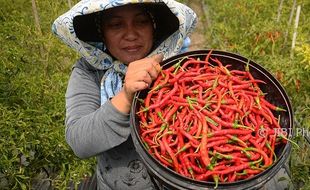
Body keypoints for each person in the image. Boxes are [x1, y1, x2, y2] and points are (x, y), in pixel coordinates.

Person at [52, 0, 197, 189]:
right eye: (116, 25)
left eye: (141, 22)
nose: (130, 34)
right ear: (102, 32)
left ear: (153, 27)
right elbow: (79, 141)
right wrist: (126, 96)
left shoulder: (177, 65)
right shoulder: (89, 71)